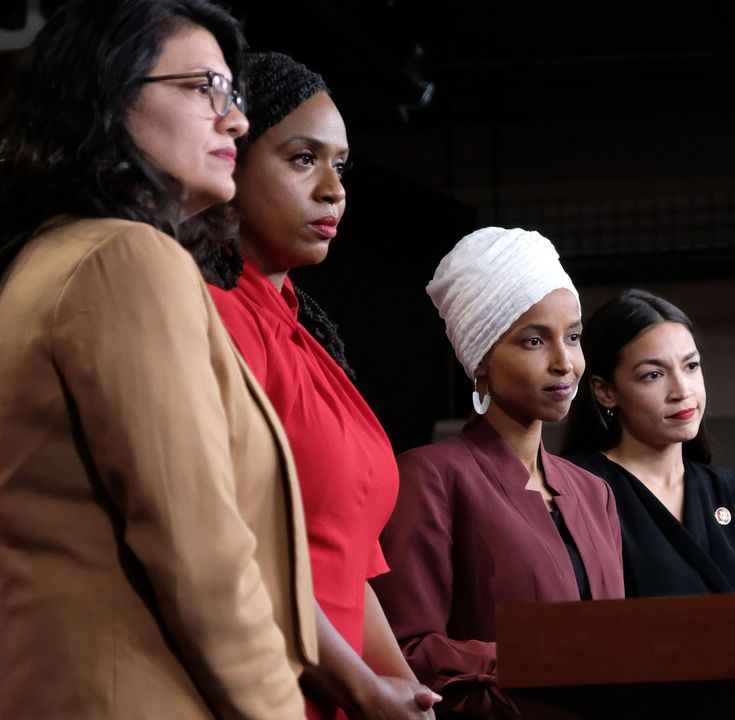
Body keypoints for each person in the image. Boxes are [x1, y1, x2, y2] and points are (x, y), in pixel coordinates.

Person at [0, 2, 315, 717]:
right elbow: (201, 557)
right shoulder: (125, 259)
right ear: (109, 97)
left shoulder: (55, 259)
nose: (235, 119)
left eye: (232, 94)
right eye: (203, 87)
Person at [202, 52, 437, 720]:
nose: (334, 189)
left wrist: (407, 691)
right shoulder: (216, 318)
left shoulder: (309, 335)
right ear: (231, 161)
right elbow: (230, 547)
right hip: (262, 694)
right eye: (303, 158)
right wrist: (363, 689)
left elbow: (347, 562)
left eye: (341, 165)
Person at [372, 227, 625, 718]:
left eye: (572, 337)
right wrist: (544, 660)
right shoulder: (432, 477)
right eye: (534, 340)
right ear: (480, 360)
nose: (564, 363)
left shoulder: (595, 493)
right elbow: (405, 651)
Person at [561, 289, 735, 597]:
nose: (681, 390)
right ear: (605, 391)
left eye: (691, 366)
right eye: (653, 375)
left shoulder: (732, 492)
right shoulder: (577, 487)